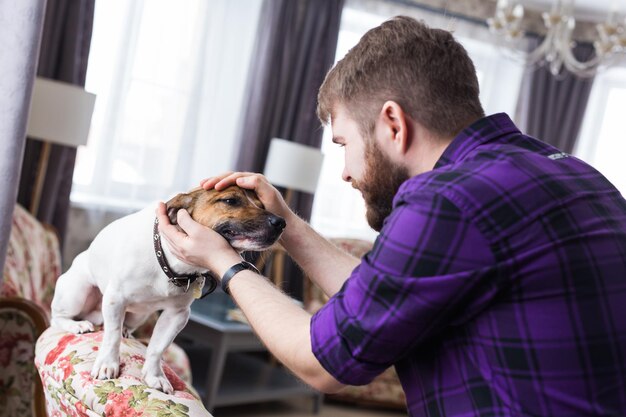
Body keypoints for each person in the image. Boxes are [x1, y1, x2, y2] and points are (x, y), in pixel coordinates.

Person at [156, 16, 626, 417]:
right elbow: (383, 295)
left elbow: (319, 362)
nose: (344, 172)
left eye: (343, 144)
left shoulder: (447, 199)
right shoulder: (572, 172)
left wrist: (224, 261)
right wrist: (289, 227)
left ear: (393, 124)